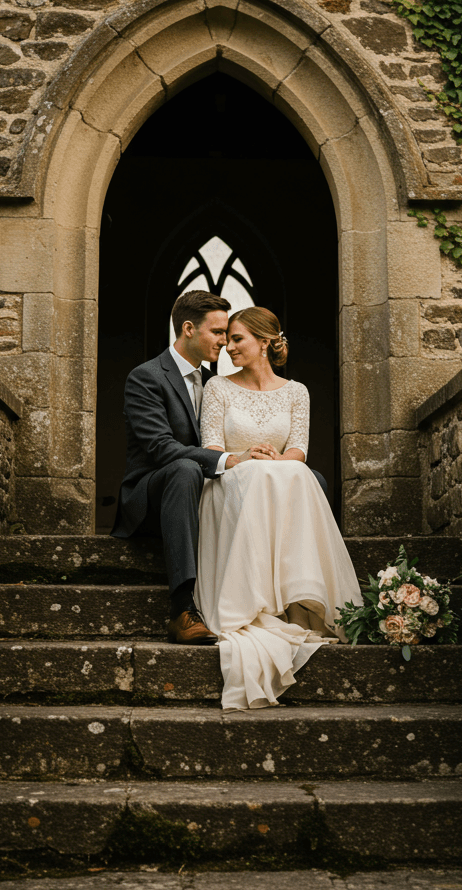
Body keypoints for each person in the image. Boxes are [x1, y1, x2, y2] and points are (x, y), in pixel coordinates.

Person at [195, 306, 363, 711]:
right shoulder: (218, 387)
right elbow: (211, 446)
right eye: (228, 339)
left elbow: (299, 450)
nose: (228, 347)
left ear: (265, 342)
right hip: (232, 477)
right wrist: (246, 454)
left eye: (238, 339)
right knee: (262, 475)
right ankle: (253, 601)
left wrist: (276, 460)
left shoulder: (296, 391)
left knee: (295, 474)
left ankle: (299, 595)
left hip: (279, 474)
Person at [112, 290, 249, 644]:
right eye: (217, 332)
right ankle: (182, 609)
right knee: (185, 468)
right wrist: (228, 461)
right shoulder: (146, 377)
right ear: (188, 328)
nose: (224, 340)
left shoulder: (217, 383)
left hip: (206, 488)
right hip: (153, 492)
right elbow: (161, 448)